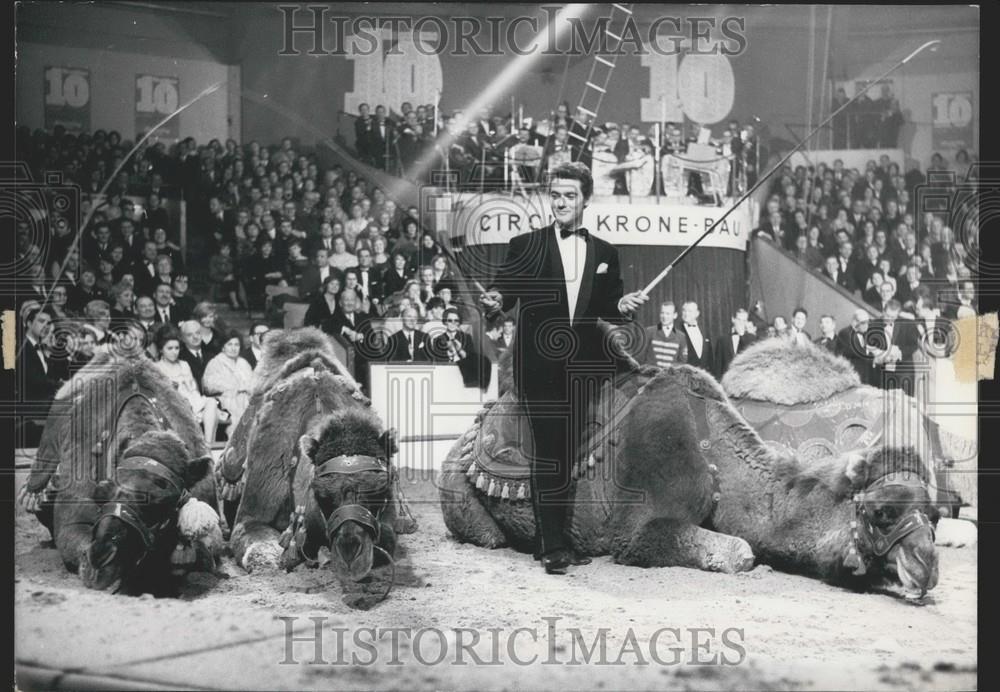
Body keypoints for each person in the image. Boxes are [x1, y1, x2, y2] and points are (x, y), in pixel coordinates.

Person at [479, 162, 647, 574]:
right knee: (550, 452)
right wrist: (496, 301)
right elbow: (506, 290)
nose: (561, 202)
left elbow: (607, 305)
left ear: (585, 200)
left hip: (581, 370)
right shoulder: (526, 245)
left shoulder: (605, 253)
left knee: (567, 453)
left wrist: (621, 307)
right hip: (538, 367)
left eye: (569, 196)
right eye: (555, 195)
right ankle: (553, 546)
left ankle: (550, 539)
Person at [154, 328, 220, 443]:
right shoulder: (157, 367)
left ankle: (209, 443)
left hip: (191, 399)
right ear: (161, 350)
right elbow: (158, 394)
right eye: (169, 348)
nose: (174, 352)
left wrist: (192, 394)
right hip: (172, 403)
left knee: (212, 402)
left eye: (177, 348)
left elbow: (193, 389)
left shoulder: (184, 364)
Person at [202, 331, 255, 435]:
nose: (233, 348)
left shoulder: (243, 363)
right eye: (229, 344)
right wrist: (236, 388)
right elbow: (209, 386)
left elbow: (253, 382)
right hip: (225, 401)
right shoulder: (215, 363)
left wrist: (246, 389)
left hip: (246, 400)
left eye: (236, 345)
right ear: (223, 347)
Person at [867, 299, 919, 396]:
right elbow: (869, 346)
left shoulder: (908, 324)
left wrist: (900, 352)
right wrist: (878, 356)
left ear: (898, 315)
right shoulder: (873, 324)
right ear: (883, 311)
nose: (889, 319)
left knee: (905, 404)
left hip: (904, 371)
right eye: (887, 315)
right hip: (883, 372)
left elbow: (913, 345)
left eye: (893, 317)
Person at [641, 301, 687, 368]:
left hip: (669, 377)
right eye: (662, 313)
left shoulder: (681, 336)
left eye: (668, 314)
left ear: (675, 315)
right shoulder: (649, 331)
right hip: (650, 376)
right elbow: (641, 357)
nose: (664, 316)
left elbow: (682, 362)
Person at [835, 309, 875, 385]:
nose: (867, 326)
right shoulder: (845, 333)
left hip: (864, 377)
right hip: (850, 377)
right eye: (863, 323)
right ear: (854, 322)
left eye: (868, 322)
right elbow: (857, 353)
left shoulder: (865, 334)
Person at [715, 307, 755, 375]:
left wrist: (742, 335)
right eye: (739, 320)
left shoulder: (752, 338)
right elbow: (718, 366)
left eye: (744, 321)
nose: (741, 323)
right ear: (733, 319)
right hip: (727, 380)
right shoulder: (722, 340)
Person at [679, 301, 714, 375]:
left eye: (690, 311)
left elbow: (710, 357)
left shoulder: (704, 330)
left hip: (704, 377)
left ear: (697, 313)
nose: (686, 314)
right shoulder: (677, 331)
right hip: (685, 377)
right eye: (684, 310)